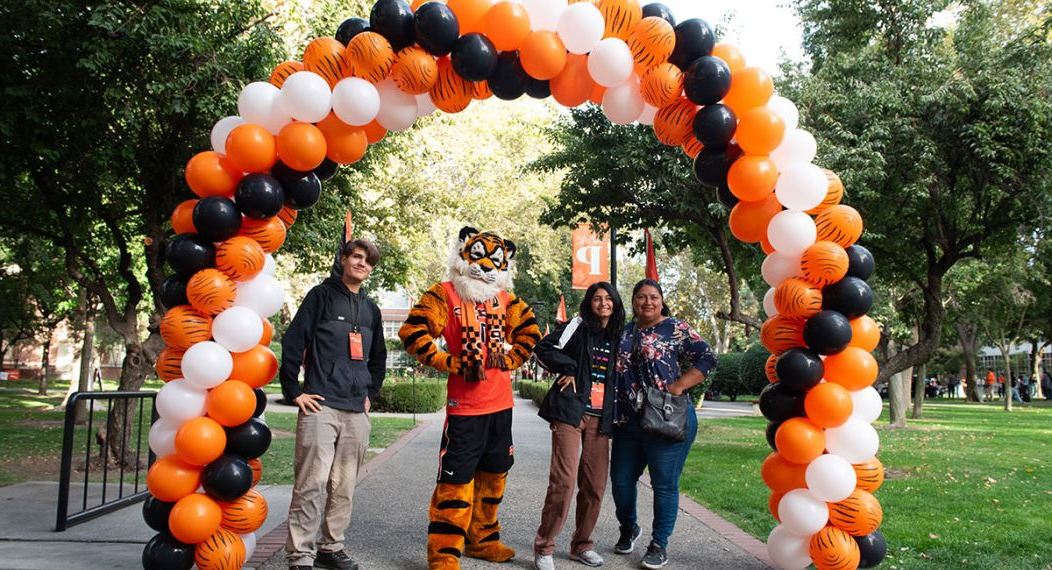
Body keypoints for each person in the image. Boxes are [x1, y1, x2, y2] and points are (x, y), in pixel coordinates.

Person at [399, 227, 539, 570]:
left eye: (495, 260)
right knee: (455, 481)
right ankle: (445, 553)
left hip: (501, 406)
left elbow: (530, 332)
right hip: (465, 409)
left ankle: (483, 540)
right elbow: (412, 331)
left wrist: (511, 359)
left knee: (494, 476)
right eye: (478, 256)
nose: (486, 265)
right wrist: (446, 362)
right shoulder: (445, 293)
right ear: (463, 253)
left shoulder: (505, 299)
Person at [279, 239, 387, 570]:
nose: (362, 265)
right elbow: (295, 340)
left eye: (368, 262)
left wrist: (372, 392)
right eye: (357, 257)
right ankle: (300, 555)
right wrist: (294, 390)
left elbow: (378, 358)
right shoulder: (320, 296)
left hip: (356, 409)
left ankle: (331, 547)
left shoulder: (371, 310)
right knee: (310, 484)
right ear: (343, 259)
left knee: (344, 486)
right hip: (320, 406)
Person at [609, 279, 717, 569]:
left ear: (661, 300)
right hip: (628, 420)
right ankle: (629, 528)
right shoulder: (624, 330)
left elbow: (707, 357)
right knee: (620, 481)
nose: (648, 302)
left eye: (653, 297)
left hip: (666, 417)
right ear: (633, 301)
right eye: (641, 297)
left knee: (664, 484)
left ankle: (659, 544)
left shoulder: (676, 328)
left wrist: (680, 385)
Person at [532, 282, 625, 570]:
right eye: (597, 298)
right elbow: (543, 347)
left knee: (595, 485)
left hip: (602, 418)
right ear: (589, 302)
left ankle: (581, 545)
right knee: (564, 481)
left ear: (616, 303)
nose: (603, 303)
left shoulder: (621, 335)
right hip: (570, 411)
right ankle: (544, 546)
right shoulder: (578, 325)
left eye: (608, 298)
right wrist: (568, 367)